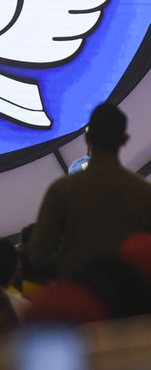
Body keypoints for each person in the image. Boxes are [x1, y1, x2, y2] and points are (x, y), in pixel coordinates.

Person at [28, 102, 151, 280]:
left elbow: (40, 255)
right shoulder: (143, 192)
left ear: (88, 138)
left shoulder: (61, 191)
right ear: (124, 139)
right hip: (130, 298)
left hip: (78, 293)